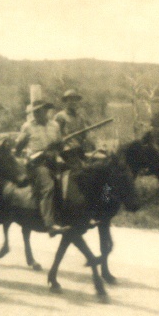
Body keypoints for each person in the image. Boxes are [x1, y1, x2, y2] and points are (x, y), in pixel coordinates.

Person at [14, 100, 68, 236]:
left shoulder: (55, 125)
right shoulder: (27, 127)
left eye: (39, 110)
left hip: (53, 161)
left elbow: (60, 146)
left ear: (46, 110)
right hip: (36, 164)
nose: (36, 114)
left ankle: (73, 215)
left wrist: (61, 146)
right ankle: (49, 224)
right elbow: (18, 147)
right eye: (34, 111)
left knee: (74, 177)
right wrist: (26, 155)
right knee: (48, 186)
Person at [54, 89, 96, 167]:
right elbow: (56, 136)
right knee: (79, 167)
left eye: (75, 100)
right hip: (66, 151)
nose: (73, 102)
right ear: (66, 101)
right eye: (70, 99)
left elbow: (84, 134)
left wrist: (90, 141)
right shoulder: (60, 116)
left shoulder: (80, 117)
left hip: (79, 149)